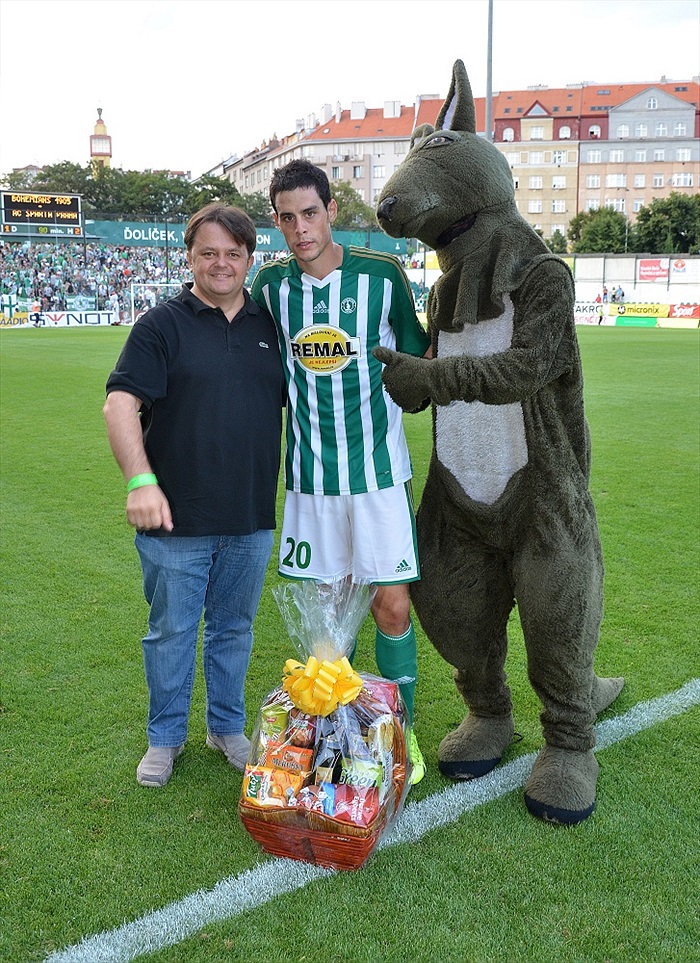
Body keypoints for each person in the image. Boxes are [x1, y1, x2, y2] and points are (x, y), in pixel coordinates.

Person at [250, 159, 432, 783]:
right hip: (310, 484)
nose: (300, 228)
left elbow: (419, 361)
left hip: (378, 477)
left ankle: (399, 734)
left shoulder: (382, 278)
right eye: (286, 217)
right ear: (275, 222)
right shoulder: (270, 290)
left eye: (309, 213)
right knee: (329, 619)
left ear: (331, 210)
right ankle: (343, 737)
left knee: (390, 608)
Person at [103, 204, 285, 788]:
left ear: (250, 259)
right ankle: (165, 739)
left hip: (250, 516)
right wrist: (141, 481)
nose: (221, 264)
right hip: (175, 519)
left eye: (233, 253)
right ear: (191, 257)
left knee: (234, 629)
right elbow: (120, 404)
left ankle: (227, 727)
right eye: (209, 253)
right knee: (172, 632)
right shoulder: (161, 325)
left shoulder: (270, 326)